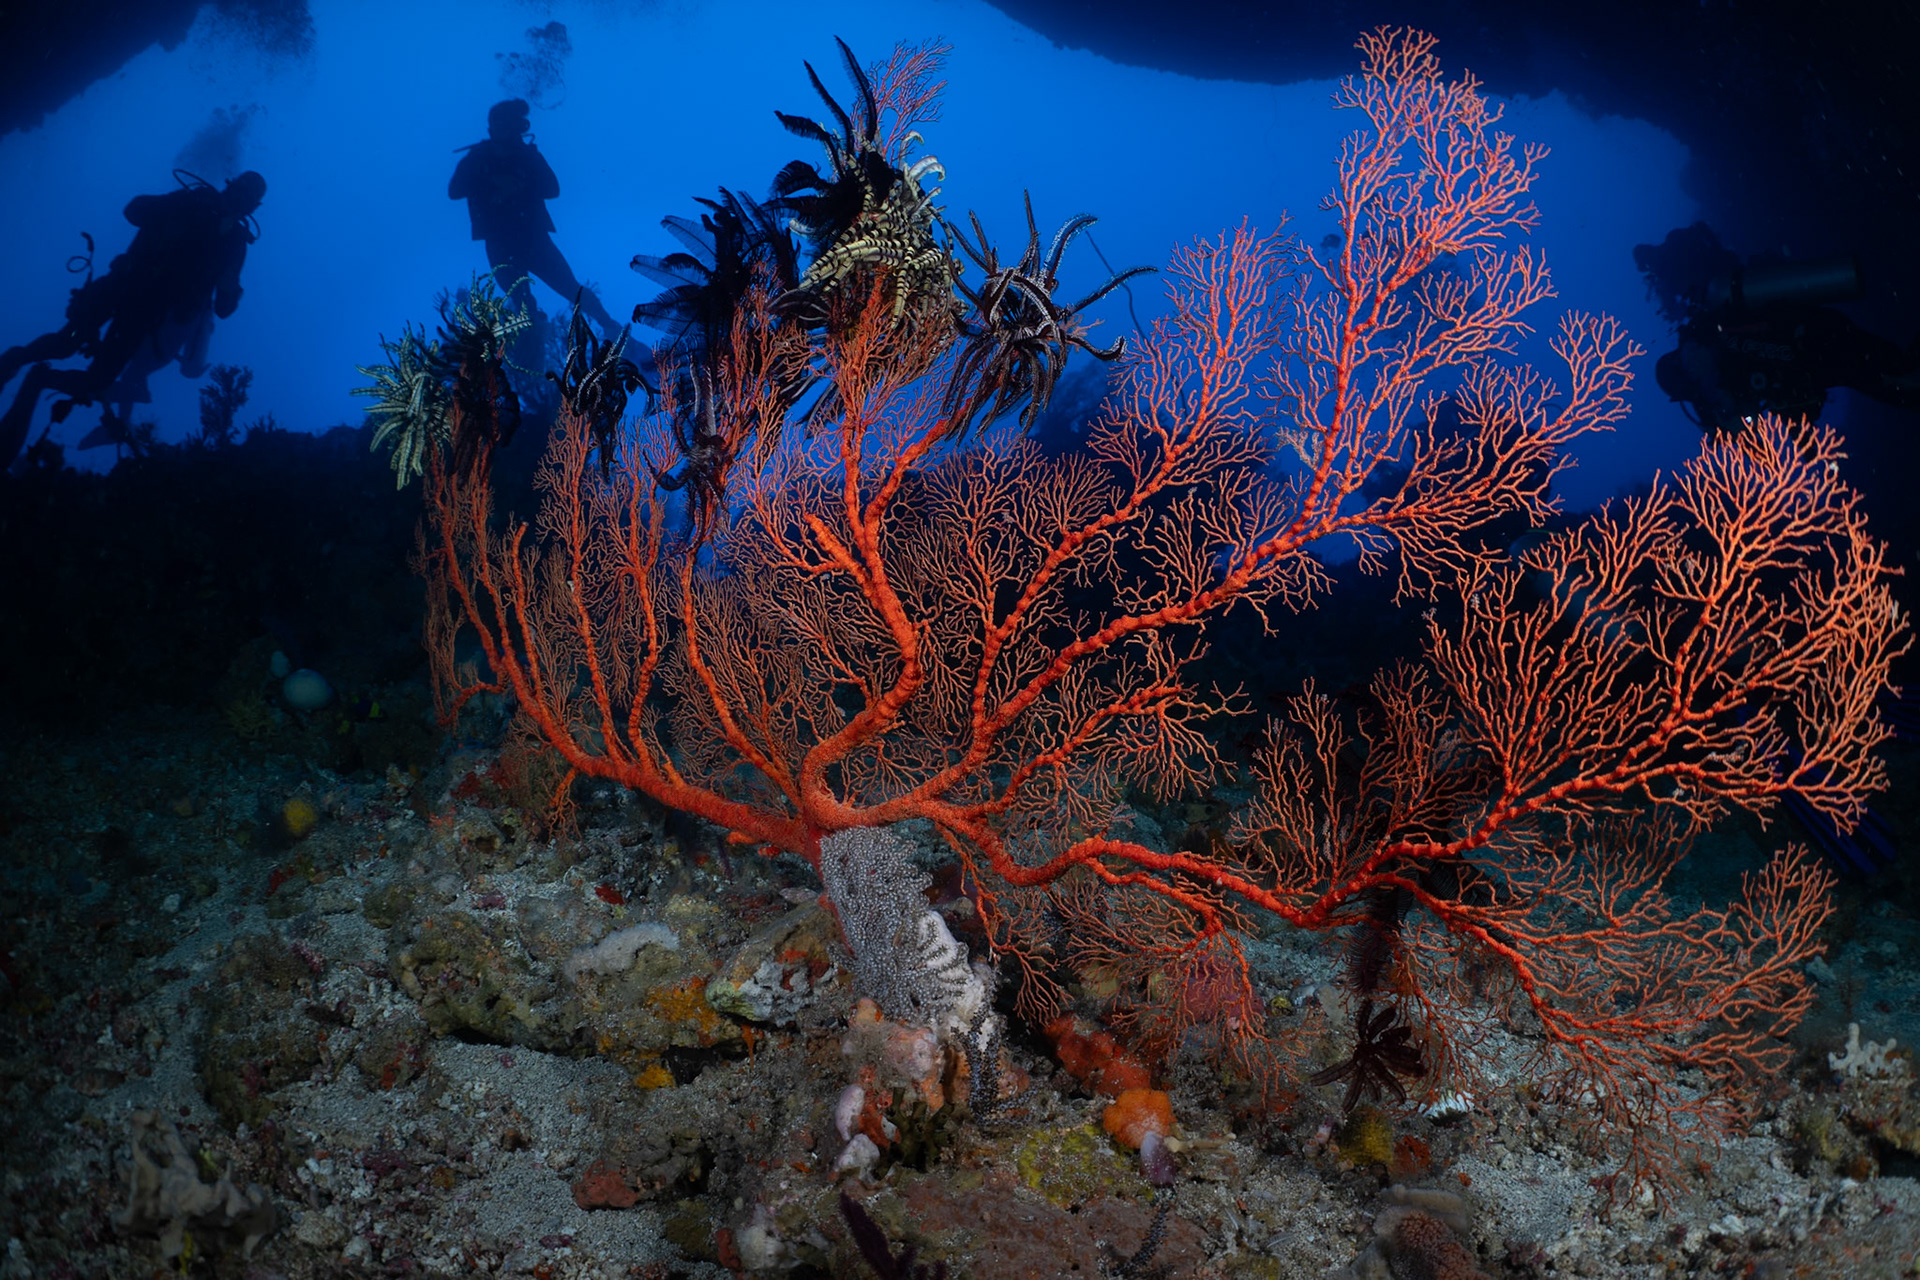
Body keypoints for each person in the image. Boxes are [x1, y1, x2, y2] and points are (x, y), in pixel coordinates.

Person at [0, 170, 266, 468]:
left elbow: (223, 310)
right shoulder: (192, 200)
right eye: (237, 193)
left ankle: (38, 379)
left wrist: (230, 290)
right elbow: (134, 211)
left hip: (142, 315)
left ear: (252, 208)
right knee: (66, 344)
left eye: (245, 200)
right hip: (119, 288)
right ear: (229, 188)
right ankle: (13, 361)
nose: (237, 202)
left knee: (95, 381)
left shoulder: (234, 245)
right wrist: (173, 210)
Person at [1635, 222, 1920, 432]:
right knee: (1897, 376)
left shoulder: (1711, 355)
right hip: (1816, 337)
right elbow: (1771, 378)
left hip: (1817, 342)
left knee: (1900, 377)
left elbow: (1765, 374)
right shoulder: (1711, 340)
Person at [448, 99, 619, 349]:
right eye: (497, 125)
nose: (500, 131)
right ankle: (532, 348)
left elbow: (553, 189)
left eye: (506, 125)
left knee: (569, 288)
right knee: (522, 302)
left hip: (532, 238)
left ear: (516, 127)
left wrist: (518, 184)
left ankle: (610, 326)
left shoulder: (528, 155)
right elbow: (454, 191)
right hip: (500, 241)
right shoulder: (478, 157)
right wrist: (491, 181)